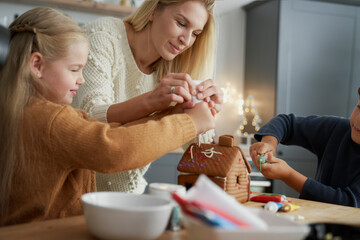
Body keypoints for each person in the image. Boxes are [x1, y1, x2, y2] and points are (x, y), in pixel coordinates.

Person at [0, 7, 215, 226]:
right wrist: (189, 122)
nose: (81, 79)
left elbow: (107, 132)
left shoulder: (26, 111)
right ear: (36, 65)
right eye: (74, 69)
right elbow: (114, 148)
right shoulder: (51, 119)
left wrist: (170, 114)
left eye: (196, 33)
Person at [72, 0, 223, 194]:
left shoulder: (174, 67)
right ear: (154, 10)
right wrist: (151, 100)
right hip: (80, 198)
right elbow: (91, 116)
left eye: (195, 34)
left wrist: (207, 112)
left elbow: (199, 153)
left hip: (131, 197)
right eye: (181, 23)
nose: (186, 40)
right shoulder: (104, 35)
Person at [249, 89, 360, 207]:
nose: (358, 120)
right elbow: (286, 122)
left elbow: (348, 202)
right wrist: (269, 144)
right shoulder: (338, 129)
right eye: (359, 107)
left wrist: (288, 175)